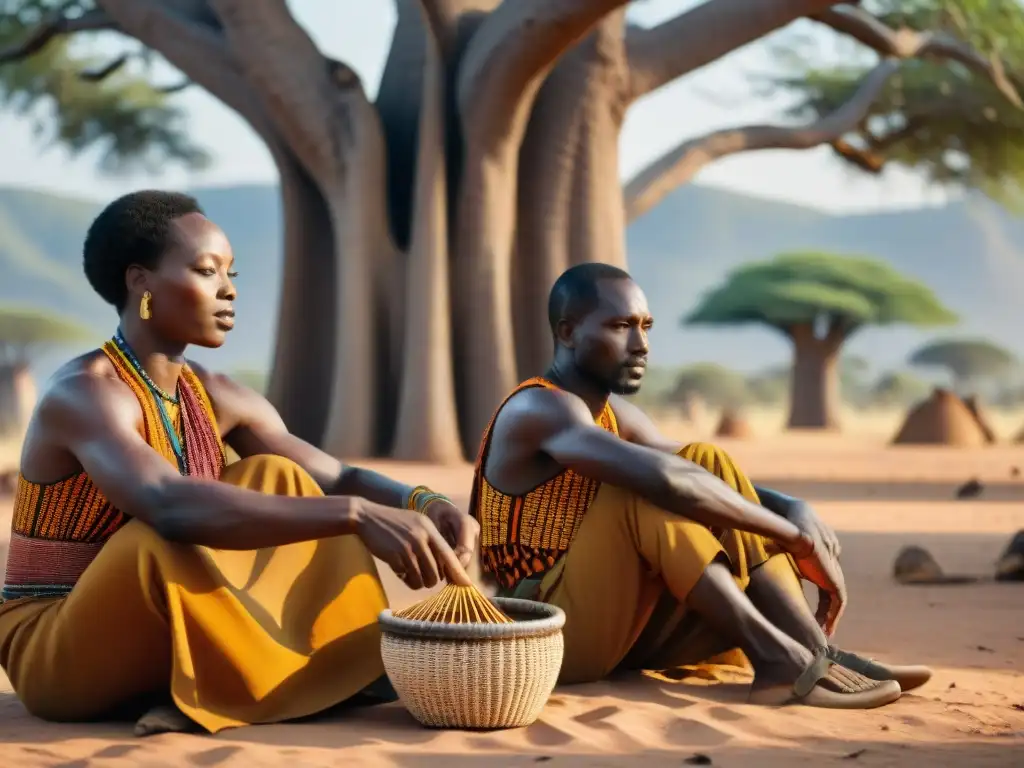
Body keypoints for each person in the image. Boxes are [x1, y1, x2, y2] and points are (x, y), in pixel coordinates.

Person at [0, 191, 479, 735]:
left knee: (278, 477)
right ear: (141, 282)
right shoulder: (85, 394)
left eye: (231, 273)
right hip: (55, 648)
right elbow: (168, 505)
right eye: (206, 271)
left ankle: (314, 671)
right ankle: (236, 686)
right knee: (156, 537)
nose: (228, 291)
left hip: (157, 637)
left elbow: (337, 476)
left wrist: (423, 502)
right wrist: (357, 516)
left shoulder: (215, 394)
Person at [470, 263, 932, 709]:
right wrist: (793, 538)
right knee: (643, 493)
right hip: (539, 632)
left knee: (706, 458)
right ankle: (778, 659)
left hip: (614, 625)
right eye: (620, 326)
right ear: (568, 332)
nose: (641, 344)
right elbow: (669, 482)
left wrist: (792, 505)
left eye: (646, 326)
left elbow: (701, 474)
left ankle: (814, 651)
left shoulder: (618, 417)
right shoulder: (538, 409)